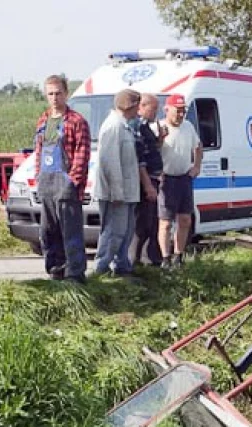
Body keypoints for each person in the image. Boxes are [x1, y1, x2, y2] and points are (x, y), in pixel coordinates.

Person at [34, 75, 91, 283]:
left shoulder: (77, 121)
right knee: (48, 231)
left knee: (71, 231)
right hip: (46, 181)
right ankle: (55, 269)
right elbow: (39, 151)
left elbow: (82, 153)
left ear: (66, 94)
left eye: (58, 93)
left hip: (66, 183)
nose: (55, 97)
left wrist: (72, 181)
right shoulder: (43, 120)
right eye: (50, 94)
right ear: (46, 95)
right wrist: (37, 176)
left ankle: (75, 272)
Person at [93, 89, 142, 276]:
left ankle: (122, 267)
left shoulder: (124, 126)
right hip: (116, 194)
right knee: (114, 232)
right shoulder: (113, 126)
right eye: (137, 105)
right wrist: (117, 192)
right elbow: (110, 162)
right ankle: (101, 269)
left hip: (127, 191)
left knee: (126, 232)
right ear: (130, 106)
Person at [158, 93, 202, 269]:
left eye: (183, 111)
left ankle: (178, 256)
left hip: (184, 177)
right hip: (166, 179)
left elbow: (198, 148)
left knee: (185, 220)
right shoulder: (160, 127)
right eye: (177, 111)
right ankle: (165, 258)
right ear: (167, 110)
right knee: (166, 222)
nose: (180, 115)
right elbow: (152, 151)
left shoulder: (188, 127)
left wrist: (196, 167)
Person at [131, 93, 166, 267]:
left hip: (153, 179)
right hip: (146, 181)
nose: (156, 113)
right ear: (141, 107)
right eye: (153, 109)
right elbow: (140, 160)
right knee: (142, 223)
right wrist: (147, 186)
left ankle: (149, 259)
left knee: (152, 222)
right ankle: (136, 260)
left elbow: (150, 151)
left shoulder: (147, 127)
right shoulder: (138, 126)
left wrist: (159, 141)